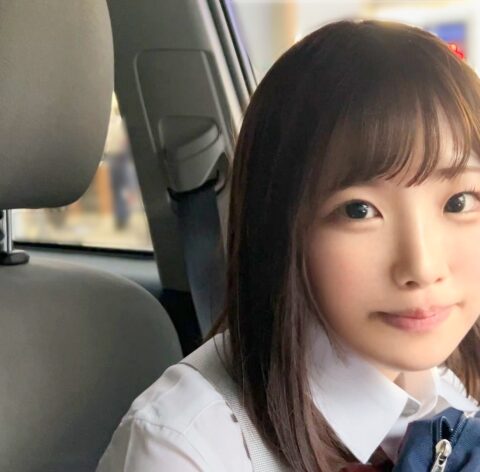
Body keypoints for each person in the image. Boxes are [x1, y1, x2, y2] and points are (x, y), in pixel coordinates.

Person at [96, 20, 480, 471]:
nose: (423, 266)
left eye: (459, 202)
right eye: (359, 210)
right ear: (280, 226)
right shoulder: (186, 449)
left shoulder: (452, 389)